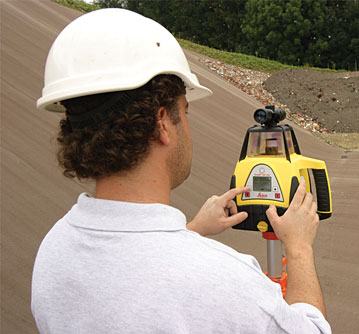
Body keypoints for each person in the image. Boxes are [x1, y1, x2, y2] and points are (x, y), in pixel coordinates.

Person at [32, 8, 330, 334]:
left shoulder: (52, 254)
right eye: (185, 111)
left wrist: (193, 231)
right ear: (163, 123)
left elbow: (135, 274)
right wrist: (299, 247)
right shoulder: (226, 280)